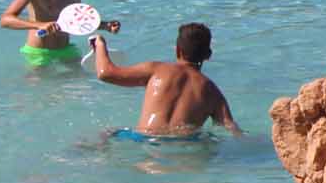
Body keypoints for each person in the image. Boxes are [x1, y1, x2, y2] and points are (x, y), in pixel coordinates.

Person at [90, 23, 240, 137]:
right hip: (185, 145)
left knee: (108, 133)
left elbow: (105, 73)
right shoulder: (212, 91)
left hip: (145, 138)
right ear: (208, 55)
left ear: (177, 50)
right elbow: (231, 128)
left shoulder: (155, 70)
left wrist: (100, 45)